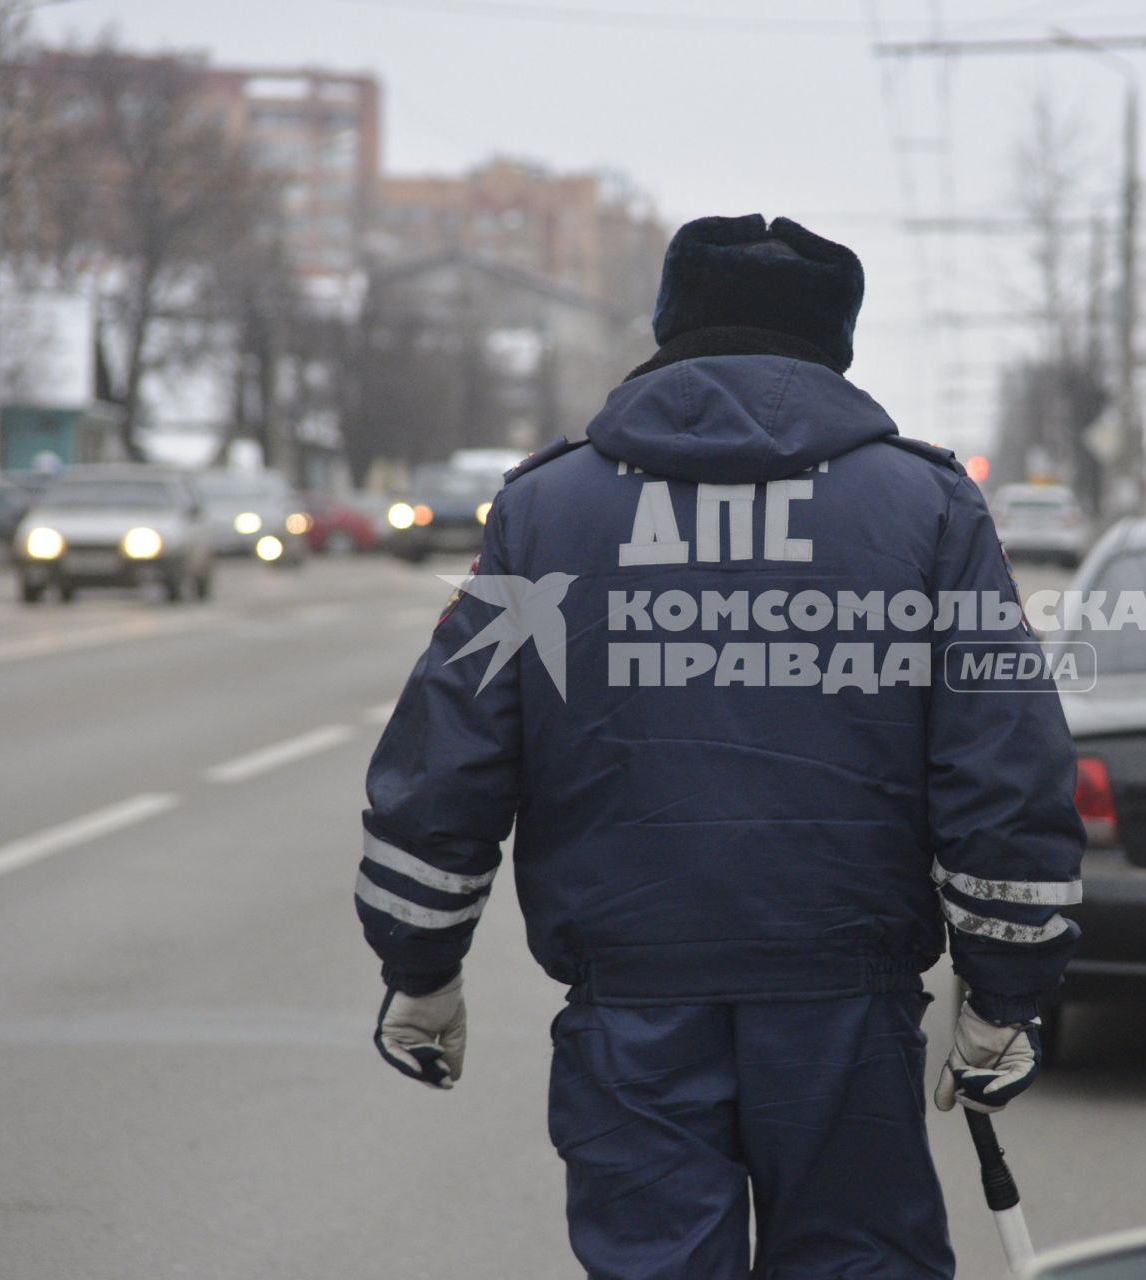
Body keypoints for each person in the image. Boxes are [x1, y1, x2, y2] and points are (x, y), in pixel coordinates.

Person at [355, 213, 1084, 1280]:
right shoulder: (927, 508)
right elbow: (1000, 758)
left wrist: (421, 966)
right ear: (836, 342)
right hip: (846, 1011)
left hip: (633, 1013)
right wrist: (1008, 985)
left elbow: (449, 755)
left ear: (667, 325)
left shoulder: (547, 510)